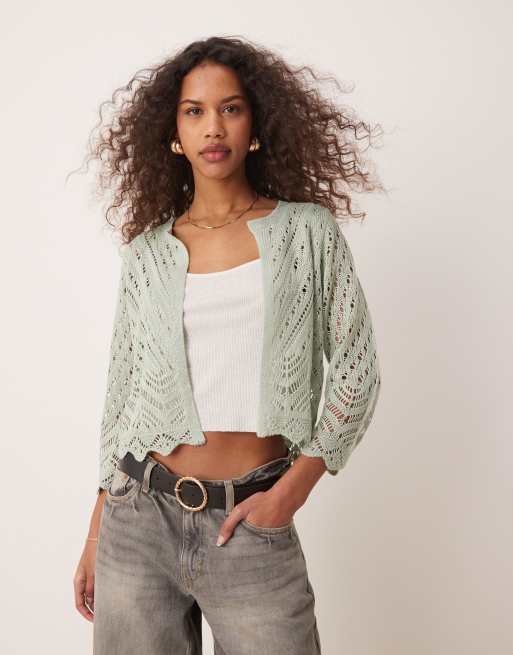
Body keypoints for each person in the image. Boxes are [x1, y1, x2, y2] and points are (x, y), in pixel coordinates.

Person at [72, 35, 384, 655]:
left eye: (231, 108)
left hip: (252, 520)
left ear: (256, 125)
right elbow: (123, 397)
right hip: (139, 520)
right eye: (194, 111)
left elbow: (357, 371)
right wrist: (96, 530)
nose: (213, 126)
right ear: (173, 133)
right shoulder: (147, 254)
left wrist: (291, 491)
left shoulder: (306, 232)